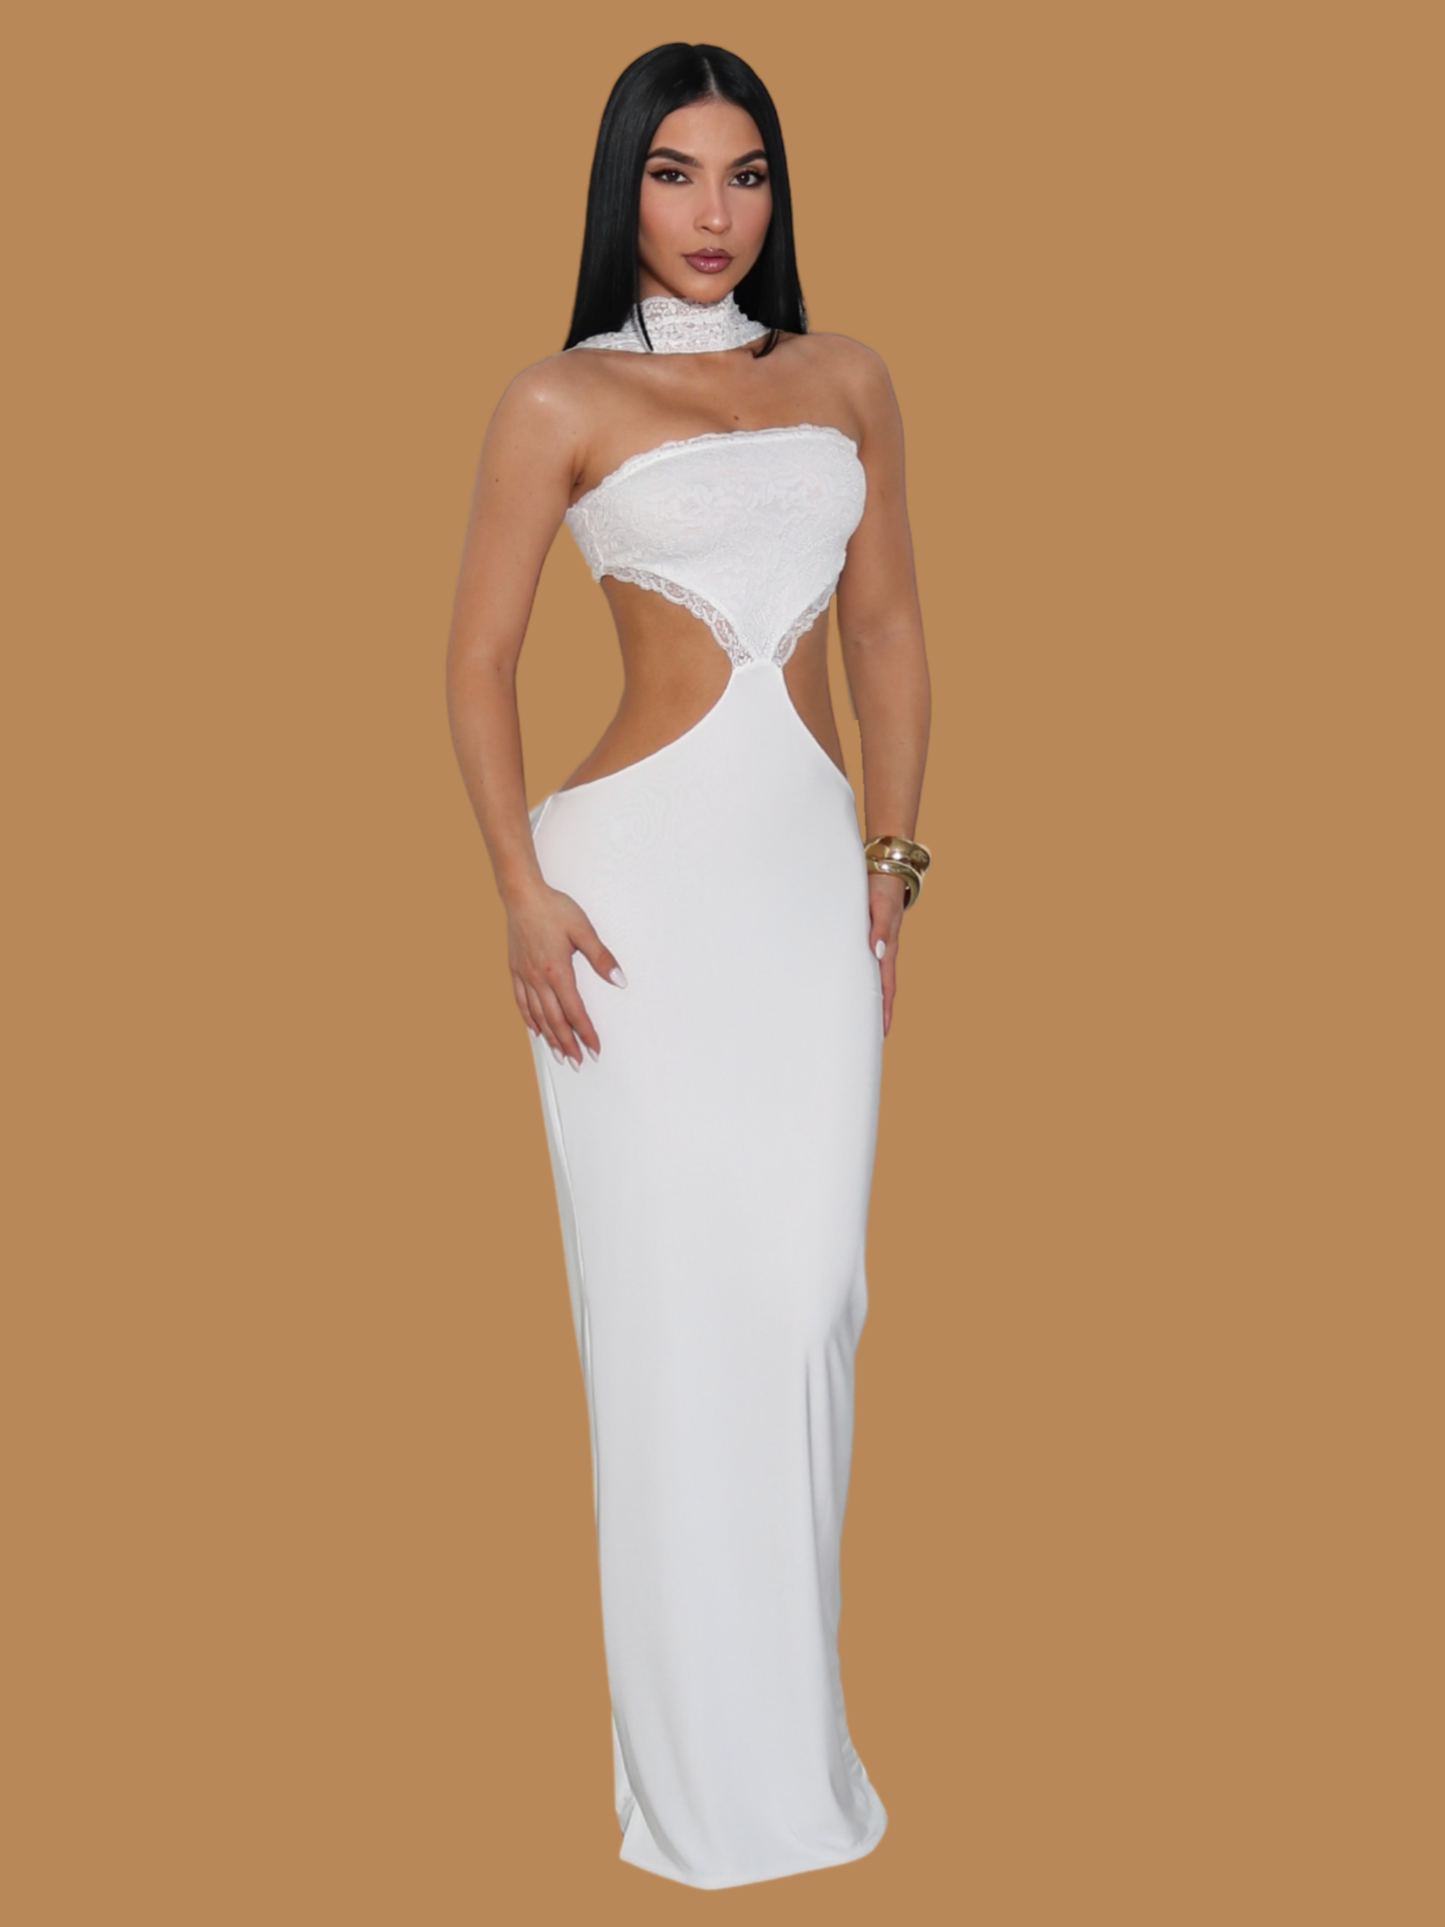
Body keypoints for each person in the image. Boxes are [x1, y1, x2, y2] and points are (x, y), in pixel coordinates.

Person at [445, 42, 931, 1890]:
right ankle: (697, 1796)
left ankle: (792, 1752)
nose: (713, 213)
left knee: (806, 1301)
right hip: (624, 899)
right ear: (622, 192)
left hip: (801, 887)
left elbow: (889, 629)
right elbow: (477, 660)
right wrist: (517, 886)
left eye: (744, 175)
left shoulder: (847, 379)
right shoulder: (557, 396)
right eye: (674, 175)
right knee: (661, 1324)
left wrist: (894, 858)